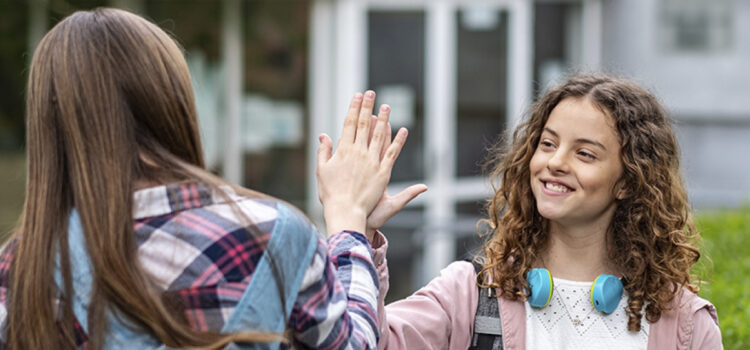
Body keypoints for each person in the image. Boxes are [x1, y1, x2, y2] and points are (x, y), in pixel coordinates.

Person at [0, 8, 421, 350]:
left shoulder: (22, 267)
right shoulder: (272, 237)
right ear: (172, 102)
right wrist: (349, 223)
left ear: (50, 128)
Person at [368, 74, 723, 349]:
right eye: (548, 144)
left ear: (628, 181)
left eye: (585, 154)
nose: (555, 162)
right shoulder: (468, 295)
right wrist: (359, 233)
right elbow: (362, 340)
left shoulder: (687, 326)